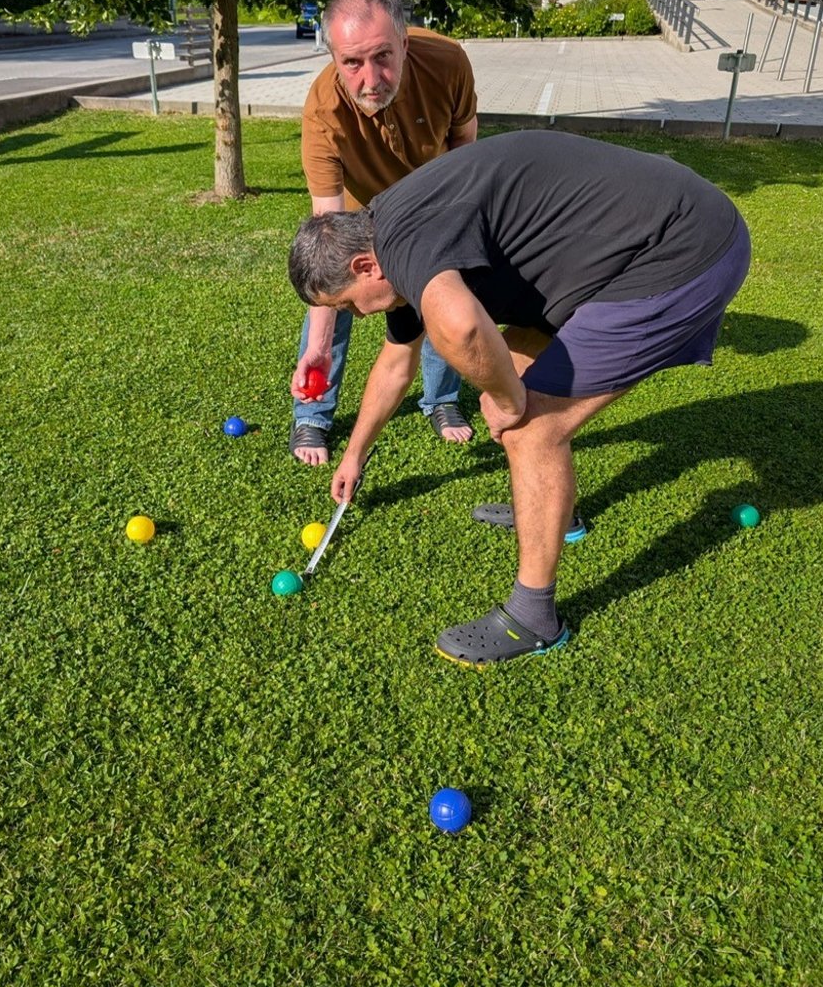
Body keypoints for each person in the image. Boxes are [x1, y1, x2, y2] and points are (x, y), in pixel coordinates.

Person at [288, 130, 751, 665]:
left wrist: (505, 399)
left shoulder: (405, 246)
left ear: (362, 268)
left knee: (531, 427)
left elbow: (460, 329)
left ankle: (534, 618)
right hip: (631, 239)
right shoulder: (385, 234)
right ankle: (558, 513)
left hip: (683, 250)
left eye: (347, 306)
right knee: (515, 360)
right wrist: (354, 454)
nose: (359, 316)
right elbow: (396, 364)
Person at [290, 0, 479, 465]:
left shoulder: (448, 63)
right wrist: (316, 346)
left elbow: (468, 161)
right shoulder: (323, 113)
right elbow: (329, 240)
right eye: (352, 63)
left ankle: (441, 399)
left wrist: (451, 241)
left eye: (383, 57)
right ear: (333, 57)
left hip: (435, 195)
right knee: (334, 284)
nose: (370, 77)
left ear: (405, 44)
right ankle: (313, 415)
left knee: (443, 291)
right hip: (359, 210)